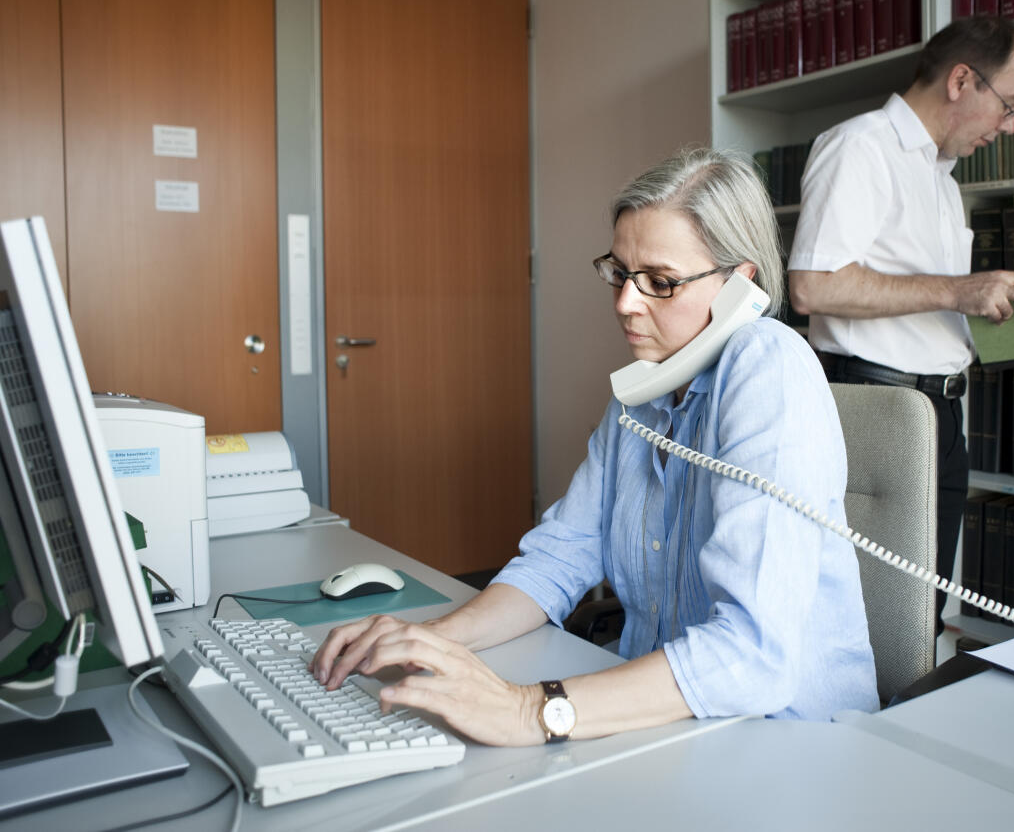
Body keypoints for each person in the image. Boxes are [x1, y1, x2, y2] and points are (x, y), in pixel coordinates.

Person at [312, 147, 879, 746]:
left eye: (659, 282)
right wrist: (435, 638)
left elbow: (752, 656)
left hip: (783, 747)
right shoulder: (640, 396)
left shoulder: (770, 366)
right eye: (619, 273)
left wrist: (528, 711)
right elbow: (559, 560)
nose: (625, 303)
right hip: (656, 725)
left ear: (740, 285)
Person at [787, 15, 1014, 634]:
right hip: (878, 407)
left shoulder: (942, 182)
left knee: (915, 620)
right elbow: (812, 286)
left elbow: (932, 319)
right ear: (960, 80)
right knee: (875, 625)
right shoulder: (859, 147)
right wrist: (961, 288)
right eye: (1009, 106)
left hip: (941, 416)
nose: (1007, 128)